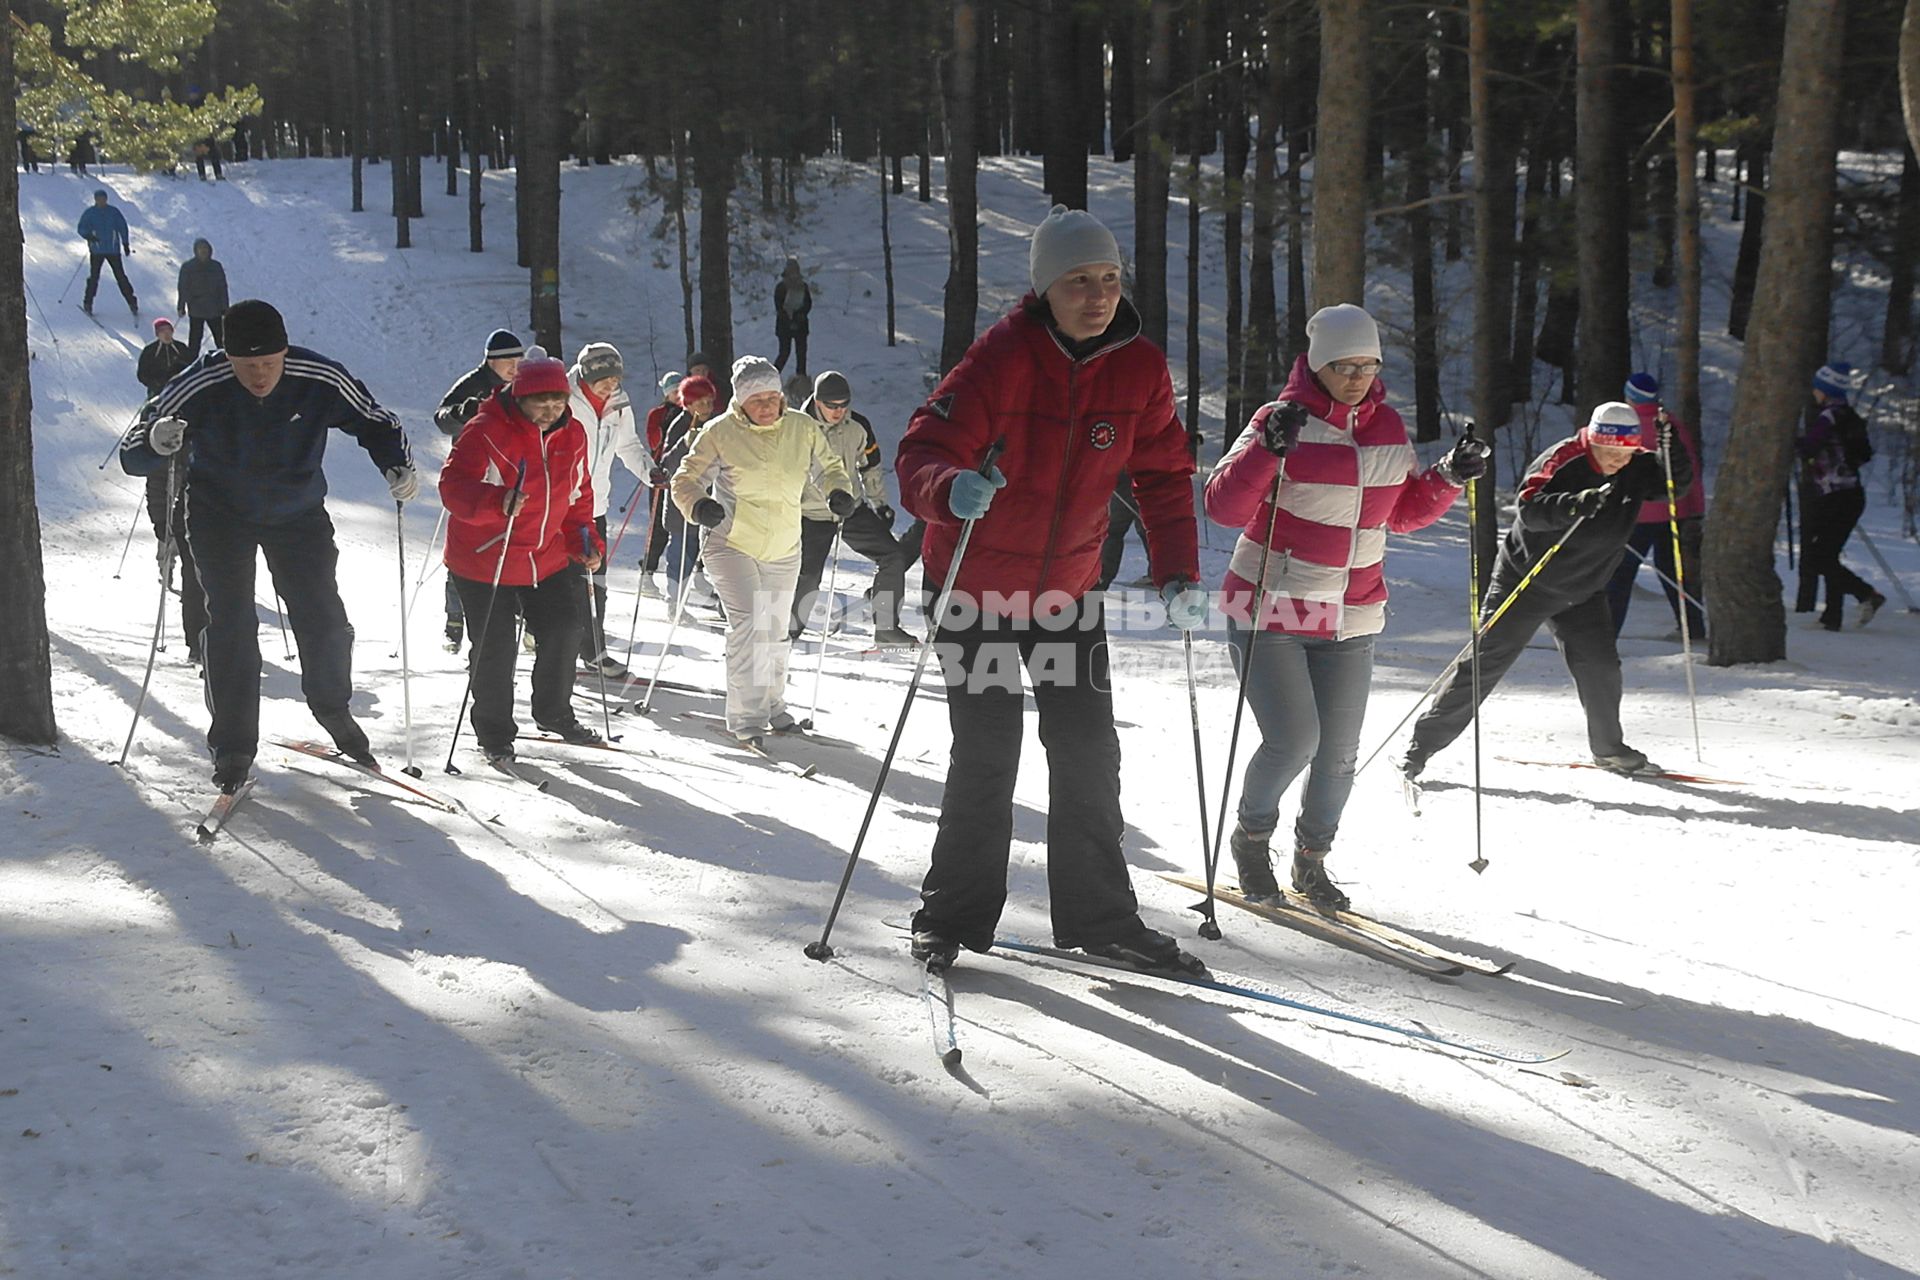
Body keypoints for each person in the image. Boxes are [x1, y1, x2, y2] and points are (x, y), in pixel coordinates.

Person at [896, 204, 1205, 976]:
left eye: (1108, 279)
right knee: (990, 754)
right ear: (1045, 289)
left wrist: (1176, 570)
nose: (1098, 295)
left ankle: (1103, 920)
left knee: (1089, 751)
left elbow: (1165, 474)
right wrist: (950, 485)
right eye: (1079, 281)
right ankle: (951, 918)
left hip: (1066, 593)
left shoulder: (1138, 367)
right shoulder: (1001, 358)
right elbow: (922, 448)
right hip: (975, 591)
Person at [1206, 304, 1485, 909]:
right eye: (1344, 365)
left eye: (1368, 364)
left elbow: (1403, 513)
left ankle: (1312, 861)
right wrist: (1267, 451)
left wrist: (1448, 476)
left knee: (1339, 754)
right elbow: (1222, 507)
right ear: (1316, 363)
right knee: (1294, 740)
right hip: (1274, 608)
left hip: (1353, 614)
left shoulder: (1386, 428)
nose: (1357, 376)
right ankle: (1252, 841)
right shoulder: (1278, 421)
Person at [117, 299, 418, 791]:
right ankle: (233, 745)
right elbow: (133, 449)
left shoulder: (317, 375)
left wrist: (396, 464)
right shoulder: (201, 381)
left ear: (285, 352)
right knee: (231, 624)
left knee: (323, 616)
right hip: (219, 514)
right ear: (227, 357)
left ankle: (333, 709)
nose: (260, 375)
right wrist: (157, 439)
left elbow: (376, 420)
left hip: (297, 513)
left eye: (269, 363)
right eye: (247, 365)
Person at [1398, 400, 1692, 783]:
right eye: (1608, 452)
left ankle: (1609, 750)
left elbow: (1673, 485)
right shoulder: (1564, 458)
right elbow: (1530, 510)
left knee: (1601, 669)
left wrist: (1675, 452)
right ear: (1592, 441)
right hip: (1526, 581)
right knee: (1485, 664)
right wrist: (1574, 504)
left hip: (1584, 589)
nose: (1617, 461)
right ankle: (1420, 748)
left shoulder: (1634, 464)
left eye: (1625, 453)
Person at [670, 356, 853, 744]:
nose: (768, 406)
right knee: (751, 626)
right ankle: (747, 719)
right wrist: (700, 505)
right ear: (740, 402)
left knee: (774, 629)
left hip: (785, 543)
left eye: (773, 397)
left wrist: (838, 491)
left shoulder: (802, 427)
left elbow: (828, 467)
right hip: (731, 541)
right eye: (758, 400)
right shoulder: (719, 432)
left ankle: (774, 705)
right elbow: (685, 479)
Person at [438, 356, 605, 763]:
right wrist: (498, 501)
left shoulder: (574, 433)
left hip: (543, 556)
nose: (550, 413)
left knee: (566, 630)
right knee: (495, 648)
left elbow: (579, 493)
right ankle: (495, 733)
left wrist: (585, 539)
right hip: (484, 559)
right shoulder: (485, 430)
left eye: (558, 404)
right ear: (519, 397)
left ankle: (554, 713)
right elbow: (452, 487)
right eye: (539, 405)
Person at [790, 371, 915, 647]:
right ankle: (788, 631)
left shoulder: (858, 425)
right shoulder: (797, 427)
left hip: (851, 508)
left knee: (892, 556)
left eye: (844, 404)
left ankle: (886, 627)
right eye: (832, 405)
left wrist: (879, 504)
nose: (839, 411)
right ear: (817, 401)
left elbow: (869, 468)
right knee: (807, 576)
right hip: (811, 512)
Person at [433, 329, 524, 651]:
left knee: (505, 543)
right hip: (472, 474)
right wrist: (464, 412)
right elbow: (441, 417)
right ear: (491, 361)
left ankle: (509, 608)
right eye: (508, 362)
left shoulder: (520, 386)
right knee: (464, 546)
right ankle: (454, 618)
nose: (515, 367)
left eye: (518, 360)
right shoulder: (474, 382)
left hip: (507, 474)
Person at [569, 343, 654, 676]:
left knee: (594, 584)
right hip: (561, 504)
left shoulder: (618, 402)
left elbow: (628, 445)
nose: (610, 386)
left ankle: (594, 652)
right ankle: (552, 646)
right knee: (562, 586)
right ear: (587, 376)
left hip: (595, 505)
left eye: (615, 379)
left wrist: (650, 472)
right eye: (603, 380)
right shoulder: (562, 397)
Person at [1605, 373, 1707, 641]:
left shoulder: (1625, 425)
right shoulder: (1670, 423)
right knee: (1673, 570)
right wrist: (1696, 508)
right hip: (1676, 509)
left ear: (1630, 397)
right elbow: (1691, 466)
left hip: (1638, 512)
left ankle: (1607, 633)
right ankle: (1693, 627)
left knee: (1621, 572)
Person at [1795, 362, 1886, 630]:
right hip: (1850, 494)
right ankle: (1831, 617)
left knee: (1817, 556)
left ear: (1826, 390)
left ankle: (1866, 594)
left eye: (1817, 387)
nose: (1814, 391)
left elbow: (1809, 447)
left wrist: (1792, 441)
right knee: (1828, 555)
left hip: (1834, 496)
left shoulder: (1828, 417)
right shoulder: (1849, 415)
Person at [657, 374, 716, 603]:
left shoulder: (713, 425)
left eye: (710, 402)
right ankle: (674, 599)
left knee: (700, 548)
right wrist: (684, 444)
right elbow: (666, 464)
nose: (707, 407)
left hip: (705, 500)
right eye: (700, 403)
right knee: (681, 553)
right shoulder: (680, 425)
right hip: (680, 505)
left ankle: (698, 585)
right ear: (688, 404)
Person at [638, 371, 684, 595]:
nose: (678, 396)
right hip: (660, 474)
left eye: (681, 391)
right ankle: (647, 572)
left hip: (682, 474)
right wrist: (665, 425)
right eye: (674, 392)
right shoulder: (657, 413)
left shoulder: (688, 413)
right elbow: (654, 442)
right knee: (658, 526)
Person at [77, 189, 137, 317]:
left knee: (120, 276)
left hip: (112, 250)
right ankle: (88, 303)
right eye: (99, 199)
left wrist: (125, 243)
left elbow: (122, 226)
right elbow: (81, 227)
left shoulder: (113, 212)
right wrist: (88, 236)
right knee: (94, 277)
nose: (101, 201)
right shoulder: (90, 213)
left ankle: (132, 302)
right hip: (97, 250)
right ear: (95, 199)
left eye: (103, 199)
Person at [176, 238, 230, 356]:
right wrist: (181, 306)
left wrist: (225, 307)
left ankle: (226, 361)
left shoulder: (216, 266)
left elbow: (223, 287)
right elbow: (183, 288)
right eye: (200, 249)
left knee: (221, 340)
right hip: (196, 308)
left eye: (205, 248)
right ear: (195, 251)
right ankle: (191, 365)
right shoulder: (188, 267)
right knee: (194, 341)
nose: (203, 251)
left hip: (214, 309)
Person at [773, 258, 812, 378]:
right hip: (785, 327)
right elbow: (779, 308)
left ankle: (801, 381)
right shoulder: (781, 287)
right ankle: (772, 376)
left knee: (801, 355)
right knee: (784, 353)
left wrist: (799, 316)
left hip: (801, 326)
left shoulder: (803, 286)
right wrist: (790, 320)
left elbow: (808, 304)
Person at [136, 317, 192, 398]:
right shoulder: (150, 350)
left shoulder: (181, 347)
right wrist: (155, 384)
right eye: (162, 331)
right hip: (157, 391)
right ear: (157, 334)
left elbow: (191, 366)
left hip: (180, 388)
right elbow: (142, 374)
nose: (166, 334)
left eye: (169, 330)